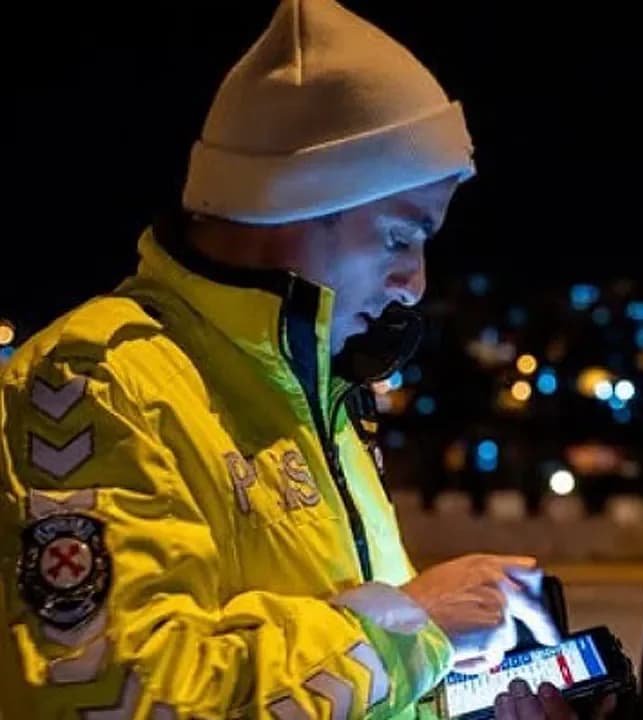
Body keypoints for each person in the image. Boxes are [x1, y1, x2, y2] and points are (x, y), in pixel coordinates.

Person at [0, 1, 560, 717]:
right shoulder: (96, 381)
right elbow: (117, 696)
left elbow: (344, 687)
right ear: (294, 204)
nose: (415, 282)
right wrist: (412, 626)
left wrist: (457, 694)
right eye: (399, 236)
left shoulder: (317, 389)